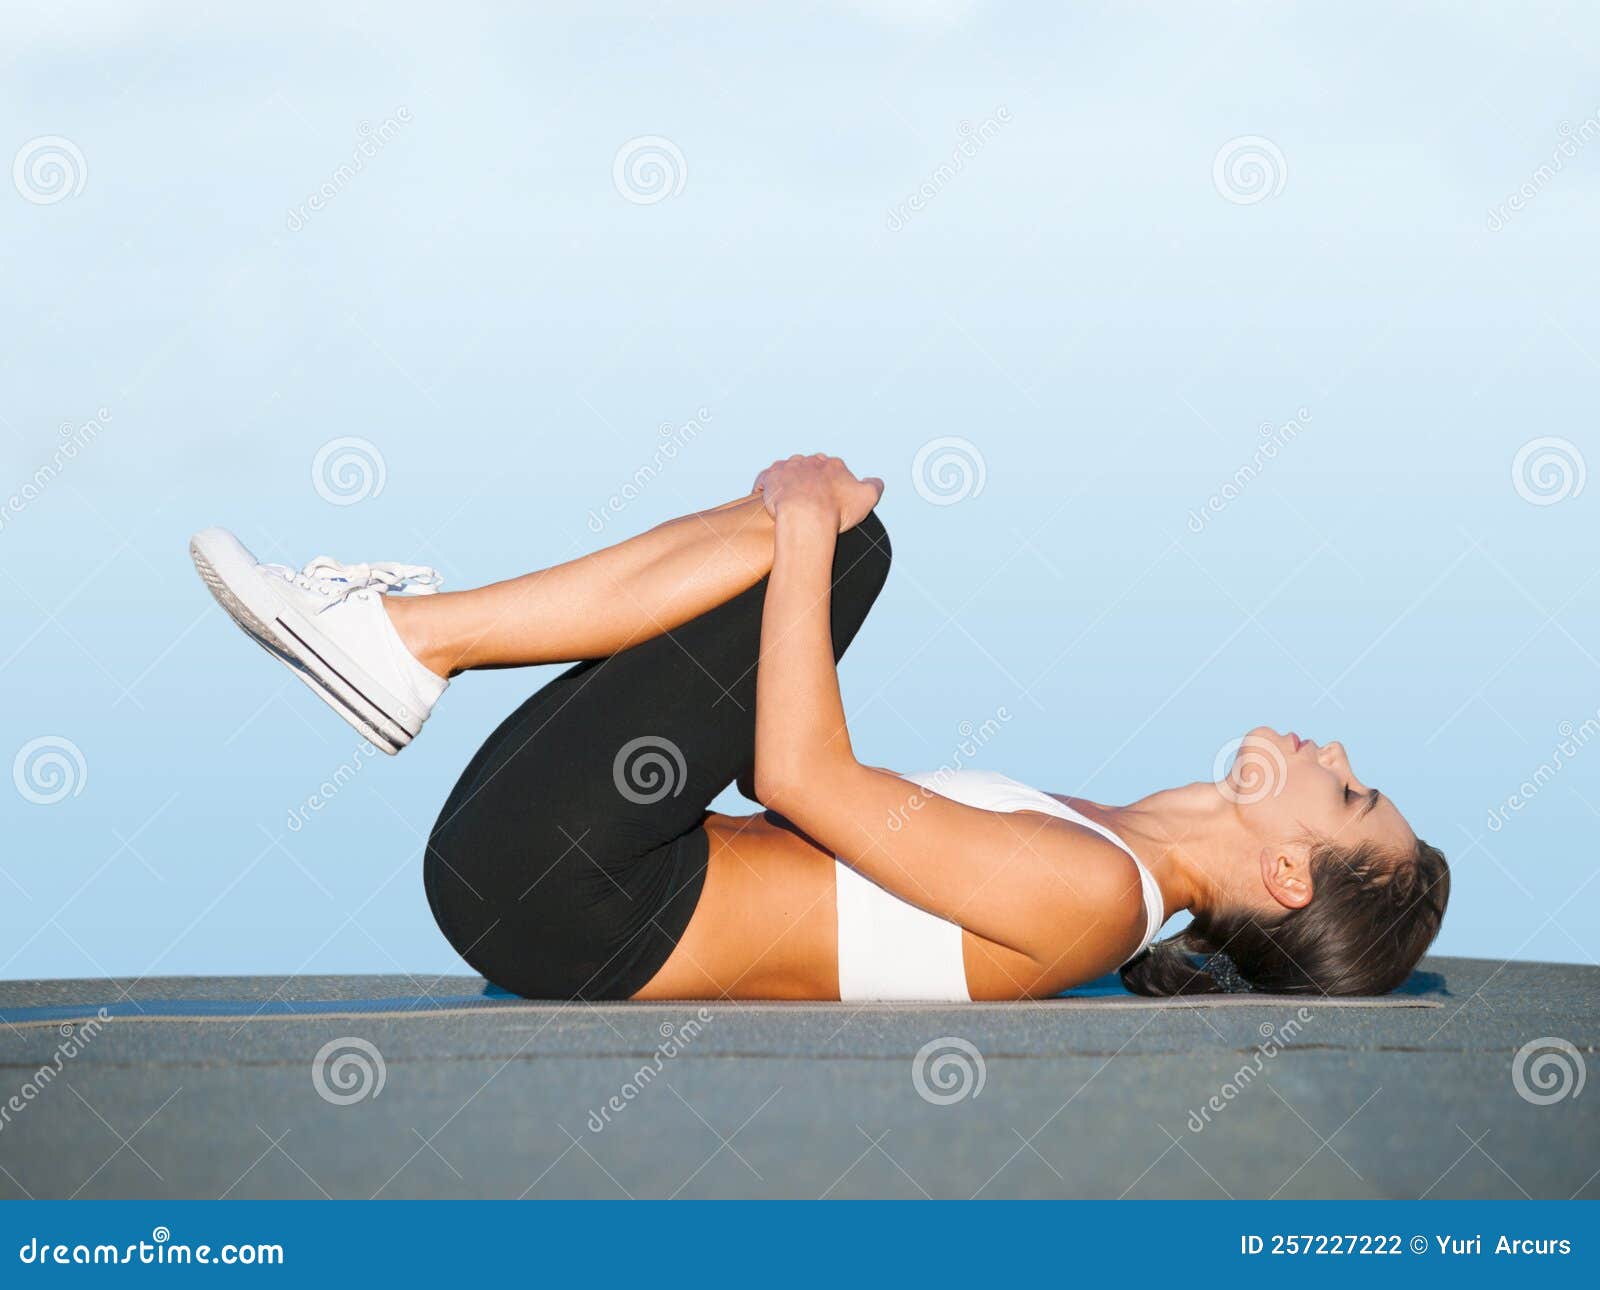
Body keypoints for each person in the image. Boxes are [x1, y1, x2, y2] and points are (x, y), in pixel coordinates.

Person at [191, 454, 1448, 1002]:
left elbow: (797, 773)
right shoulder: (1104, 843)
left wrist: (798, 532)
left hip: (575, 895)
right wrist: (797, 533)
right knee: (834, 537)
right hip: (576, 859)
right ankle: (406, 643)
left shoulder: (1092, 896)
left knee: (842, 541)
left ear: (1286, 875)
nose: (1334, 756)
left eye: (1348, 795)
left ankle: (407, 641)